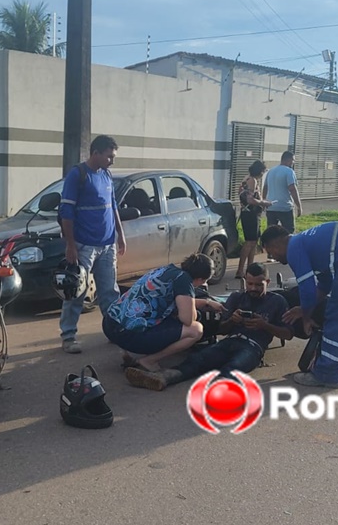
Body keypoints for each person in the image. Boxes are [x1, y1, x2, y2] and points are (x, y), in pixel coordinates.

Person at [124, 263, 293, 391]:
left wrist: (265, 325)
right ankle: (162, 378)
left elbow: (287, 334)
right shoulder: (237, 297)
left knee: (232, 368)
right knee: (196, 360)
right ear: (245, 281)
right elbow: (220, 329)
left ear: (268, 282)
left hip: (253, 347)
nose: (253, 288)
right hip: (229, 341)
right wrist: (232, 321)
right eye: (250, 284)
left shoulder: (277, 301)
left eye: (258, 285)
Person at [260, 222, 338, 389]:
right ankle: (335, 366)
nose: (274, 257)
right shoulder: (307, 242)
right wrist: (303, 309)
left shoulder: (294, 248)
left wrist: (306, 317)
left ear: (275, 243)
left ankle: (326, 373)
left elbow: (307, 289)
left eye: (271, 252)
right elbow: (324, 283)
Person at [58, 135, 127, 354]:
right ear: (95, 153)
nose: (112, 161)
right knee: (76, 292)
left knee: (109, 292)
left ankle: (114, 330)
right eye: (109, 156)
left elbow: (113, 205)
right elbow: (66, 212)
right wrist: (71, 245)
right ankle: (68, 336)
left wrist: (120, 234)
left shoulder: (106, 175)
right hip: (84, 246)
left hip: (107, 245)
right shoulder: (77, 175)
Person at [103, 253, 225, 372]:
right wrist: (198, 310)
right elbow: (187, 318)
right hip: (126, 334)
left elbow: (180, 302)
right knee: (195, 330)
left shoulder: (167, 270)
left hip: (110, 323)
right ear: (199, 279)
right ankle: (150, 360)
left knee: (151, 314)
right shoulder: (184, 281)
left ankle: (127, 352)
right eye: (203, 282)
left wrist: (206, 302)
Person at [235, 160, 271, 279]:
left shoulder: (246, 178)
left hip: (248, 213)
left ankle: (249, 268)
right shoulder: (253, 181)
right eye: (263, 172)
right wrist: (264, 202)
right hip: (251, 214)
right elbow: (251, 200)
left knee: (253, 241)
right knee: (250, 242)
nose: (263, 174)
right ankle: (241, 270)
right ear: (260, 171)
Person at [262, 150, 302, 233]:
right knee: (289, 231)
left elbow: (265, 187)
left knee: (271, 232)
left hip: (271, 207)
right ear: (289, 160)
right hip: (285, 207)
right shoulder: (289, 171)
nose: (293, 162)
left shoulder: (271, 171)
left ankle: (270, 246)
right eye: (293, 160)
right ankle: (288, 245)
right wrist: (299, 206)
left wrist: (264, 201)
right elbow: (292, 189)